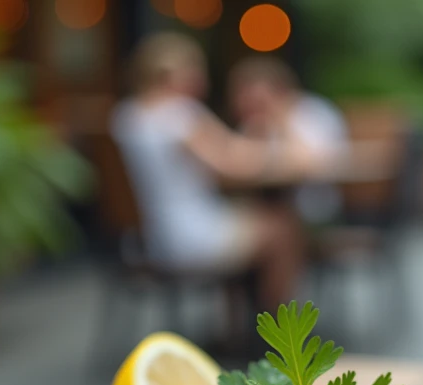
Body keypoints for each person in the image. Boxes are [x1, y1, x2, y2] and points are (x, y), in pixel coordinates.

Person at [111, 33, 320, 308]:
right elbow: (234, 164)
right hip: (191, 237)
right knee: (283, 229)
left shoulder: (126, 116)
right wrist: (275, 134)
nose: (202, 81)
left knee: (251, 216)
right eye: (195, 71)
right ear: (174, 74)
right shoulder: (180, 114)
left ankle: (233, 331)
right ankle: (276, 331)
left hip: (147, 239)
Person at [229, 56, 349, 224]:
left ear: (281, 92)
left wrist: (280, 118)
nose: (248, 107)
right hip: (269, 208)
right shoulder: (255, 123)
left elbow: (310, 164)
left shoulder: (314, 113)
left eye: (259, 101)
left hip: (315, 206)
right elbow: (236, 167)